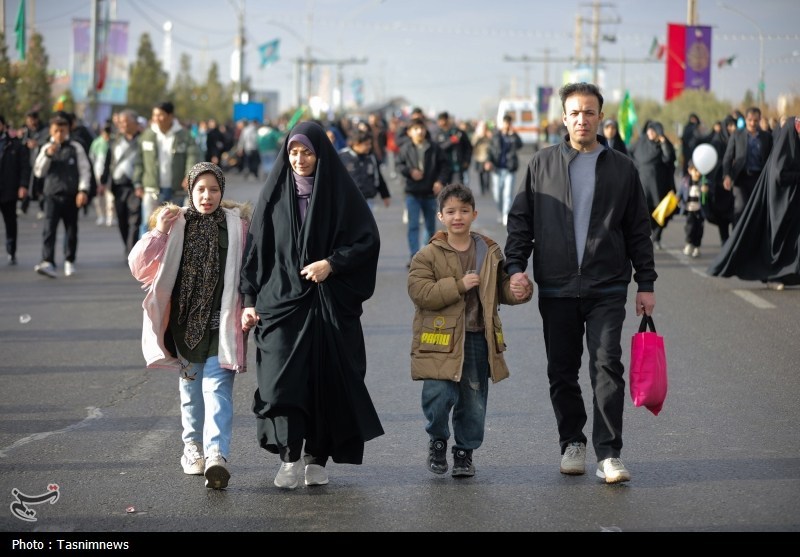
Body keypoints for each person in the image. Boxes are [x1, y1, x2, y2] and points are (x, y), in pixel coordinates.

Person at [504, 82, 657, 484]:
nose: (582, 119)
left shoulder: (622, 168)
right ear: (563, 118)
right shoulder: (541, 164)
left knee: (607, 365)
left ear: (600, 117)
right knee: (562, 370)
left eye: (589, 111)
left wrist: (646, 282)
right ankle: (572, 441)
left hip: (606, 285)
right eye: (574, 112)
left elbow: (638, 229)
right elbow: (521, 222)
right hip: (555, 287)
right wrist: (515, 267)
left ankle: (609, 453)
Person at [240, 121, 384, 490]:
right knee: (279, 383)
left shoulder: (341, 194)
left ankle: (316, 457)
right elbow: (256, 251)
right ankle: (289, 457)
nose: (299, 159)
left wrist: (332, 264)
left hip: (328, 305)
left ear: (320, 154)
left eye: (306, 152)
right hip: (280, 303)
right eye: (293, 152)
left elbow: (366, 241)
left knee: (325, 381)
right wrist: (250, 300)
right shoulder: (273, 196)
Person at [128, 162, 252, 490]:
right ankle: (191, 447)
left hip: (222, 326)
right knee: (190, 391)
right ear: (190, 191)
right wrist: (158, 232)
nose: (207, 196)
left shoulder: (237, 226)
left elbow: (252, 269)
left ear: (222, 192)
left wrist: (251, 305)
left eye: (213, 189)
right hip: (184, 330)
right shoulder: (176, 223)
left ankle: (216, 455)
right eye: (201, 189)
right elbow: (139, 267)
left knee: (218, 390)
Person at [408, 183, 532, 478]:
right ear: (440, 216)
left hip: (478, 336)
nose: (458, 217)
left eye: (464, 211)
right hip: (439, 340)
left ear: (474, 213)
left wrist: (519, 289)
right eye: (450, 211)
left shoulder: (488, 251)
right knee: (437, 396)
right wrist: (458, 286)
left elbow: (502, 290)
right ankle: (437, 440)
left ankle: (465, 452)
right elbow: (419, 291)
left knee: (473, 402)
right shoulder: (428, 255)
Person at [708, 116, 800, 290]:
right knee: (776, 241)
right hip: (777, 206)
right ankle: (773, 276)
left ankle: (787, 274)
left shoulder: (789, 145)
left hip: (790, 205)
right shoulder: (783, 149)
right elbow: (780, 175)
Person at [31, 113, 92, 278]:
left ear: (67, 130)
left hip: (72, 196)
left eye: (62, 130)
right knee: (49, 230)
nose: (59, 134)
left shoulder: (76, 147)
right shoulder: (45, 148)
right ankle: (48, 261)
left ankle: (69, 260)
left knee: (71, 230)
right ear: (51, 131)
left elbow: (85, 170)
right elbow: (38, 171)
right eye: (56, 130)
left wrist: (83, 190)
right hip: (52, 195)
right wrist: (48, 155)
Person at [134, 100, 200, 237]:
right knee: (148, 224)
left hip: (177, 190)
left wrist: (189, 175)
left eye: (160, 115)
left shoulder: (184, 136)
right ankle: (147, 256)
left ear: (170, 116)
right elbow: (139, 161)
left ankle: (174, 256)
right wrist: (138, 182)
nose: (156, 118)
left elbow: (193, 157)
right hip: (152, 190)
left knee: (177, 226)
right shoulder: (147, 136)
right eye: (154, 115)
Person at [395, 117, 451, 268]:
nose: (419, 131)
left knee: (429, 226)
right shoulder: (405, 148)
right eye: (415, 129)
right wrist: (410, 171)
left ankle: (425, 257)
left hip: (429, 193)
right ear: (409, 132)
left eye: (421, 128)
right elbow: (399, 165)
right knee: (413, 225)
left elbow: (445, 166)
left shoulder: (434, 148)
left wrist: (440, 181)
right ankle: (414, 256)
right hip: (412, 193)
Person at [722, 106, 774, 226]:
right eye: (750, 120)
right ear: (745, 119)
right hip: (741, 177)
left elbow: (771, 159)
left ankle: (754, 242)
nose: (752, 123)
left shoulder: (766, 137)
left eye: (755, 120)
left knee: (758, 209)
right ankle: (737, 239)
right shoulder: (737, 135)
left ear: (759, 120)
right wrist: (727, 175)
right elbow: (728, 157)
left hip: (759, 179)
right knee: (740, 208)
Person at [629, 120, 677, 250]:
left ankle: (657, 237)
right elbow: (629, 153)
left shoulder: (664, 143)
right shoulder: (641, 142)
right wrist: (636, 165)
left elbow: (669, 158)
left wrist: (663, 142)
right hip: (643, 184)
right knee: (645, 212)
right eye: (649, 130)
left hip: (660, 185)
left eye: (653, 130)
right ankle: (648, 236)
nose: (650, 133)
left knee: (661, 212)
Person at [102, 108, 142, 255]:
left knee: (135, 219)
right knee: (122, 218)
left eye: (126, 122)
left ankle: (131, 250)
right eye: (121, 122)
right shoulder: (115, 141)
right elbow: (108, 162)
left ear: (135, 123)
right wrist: (103, 181)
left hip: (135, 186)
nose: (123, 125)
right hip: (118, 186)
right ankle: (128, 245)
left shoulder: (143, 141)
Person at [0, 114, 31, 265]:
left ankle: (11, 251)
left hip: (8, 190)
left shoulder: (15, 145)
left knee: (10, 222)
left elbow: (25, 167)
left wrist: (23, 185)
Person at [338, 128, 391, 211]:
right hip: (348, 200)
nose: (369, 147)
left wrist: (385, 195)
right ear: (356, 143)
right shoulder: (342, 157)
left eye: (370, 144)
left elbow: (378, 176)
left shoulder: (371, 157)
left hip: (368, 198)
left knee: (366, 223)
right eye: (366, 144)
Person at [486, 113, 523, 226]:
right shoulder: (496, 135)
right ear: (502, 123)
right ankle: (500, 211)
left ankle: (506, 214)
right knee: (498, 194)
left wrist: (514, 134)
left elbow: (520, 145)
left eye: (509, 123)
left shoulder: (513, 136)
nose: (507, 125)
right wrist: (488, 161)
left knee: (507, 194)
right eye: (505, 123)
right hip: (497, 169)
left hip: (509, 169)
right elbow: (490, 150)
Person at [434, 111, 473, 185]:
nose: (440, 122)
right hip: (443, 168)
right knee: (444, 192)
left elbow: (468, 147)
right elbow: (438, 148)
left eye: (442, 120)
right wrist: (451, 141)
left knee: (457, 190)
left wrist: (467, 160)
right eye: (439, 120)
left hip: (457, 167)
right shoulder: (437, 134)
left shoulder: (458, 132)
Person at [89, 123, 115, 227]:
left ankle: (110, 216)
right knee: (99, 195)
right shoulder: (97, 142)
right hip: (98, 172)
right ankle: (101, 215)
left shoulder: (113, 142)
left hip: (110, 172)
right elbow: (92, 156)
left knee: (110, 196)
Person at [679, 160, 705, 258]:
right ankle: (689, 244)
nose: (697, 173)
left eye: (699, 171)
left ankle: (697, 246)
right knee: (689, 228)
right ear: (690, 170)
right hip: (689, 209)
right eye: (695, 170)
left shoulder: (703, 182)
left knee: (699, 229)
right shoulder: (685, 181)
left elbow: (709, 195)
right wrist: (677, 198)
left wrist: (705, 191)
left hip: (699, 211)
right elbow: (680, 192)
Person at [470, 120, 493, 196]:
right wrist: (479, 136)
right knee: (480, 173)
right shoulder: (476, 135)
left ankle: (487, 187)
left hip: (487, 157)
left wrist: (489, 136)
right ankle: (482, 188)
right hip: (479, 157)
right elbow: (473, 143)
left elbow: (493, 145)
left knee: (487, 173)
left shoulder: (489, 134)